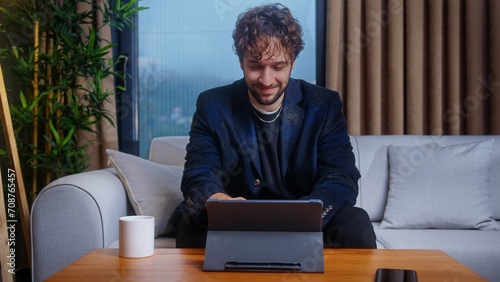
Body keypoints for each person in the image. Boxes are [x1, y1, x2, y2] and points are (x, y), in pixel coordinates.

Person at [171, 3, 376, 249]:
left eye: (278, 67)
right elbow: (198, 173)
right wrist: (221, 202)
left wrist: (302, 215)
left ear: (293, 61)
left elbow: (341, 176)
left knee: (355, 223)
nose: (267, 80)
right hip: (234, 219)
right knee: (191, 225)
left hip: (305, 217)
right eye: (255, 66)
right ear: (241, 62)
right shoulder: (212, 104)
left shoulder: (324, 104)